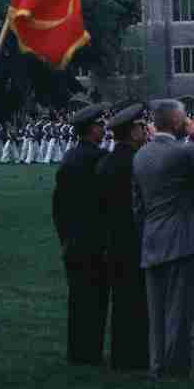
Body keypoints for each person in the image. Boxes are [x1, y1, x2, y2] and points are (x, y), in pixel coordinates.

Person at [133, 99, 194, 380]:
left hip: (152, 237)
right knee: (180, 308)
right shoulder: (182, 153)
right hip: (182, 238)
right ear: (177, 122)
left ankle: (157, 364)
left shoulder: (140, 156)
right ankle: (175, 366)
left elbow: (137, 204)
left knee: (157, 311)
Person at [52, 103, 110, 365]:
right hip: (94, 239)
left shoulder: (69, 158)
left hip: (72, 239)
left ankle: (77, 351)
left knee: (77, 298)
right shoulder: (98, 159)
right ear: (91, 129)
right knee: (95, 299)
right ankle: (90, 352)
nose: (104, 128)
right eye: (100, 125)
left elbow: (58, 206)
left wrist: (64, 236)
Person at [97, 104, 150, 372]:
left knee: (121, 301)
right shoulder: (136, 162)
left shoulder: (105, 161)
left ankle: (121, 354)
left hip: (112, 239)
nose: (144, 130)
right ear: (132, 131)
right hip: (135, 238)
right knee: (137, 300)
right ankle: (136, 356)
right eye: (141, 126)